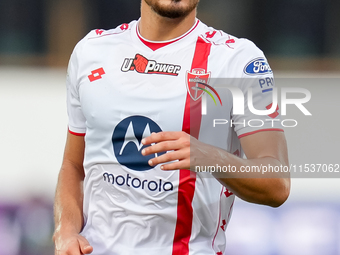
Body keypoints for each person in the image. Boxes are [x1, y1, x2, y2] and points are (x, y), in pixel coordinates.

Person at [53, 0, 290, 254]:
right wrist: (65, 232)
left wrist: (209, 157)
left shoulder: (237, 60)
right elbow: (74, 166)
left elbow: (276, 183)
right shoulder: (90, 51)